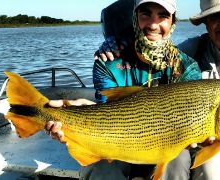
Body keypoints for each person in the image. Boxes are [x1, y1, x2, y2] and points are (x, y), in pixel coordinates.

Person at [94, 0, 220, 179]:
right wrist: (121, 42)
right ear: (205, 23)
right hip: (212, 151)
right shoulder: (188, 53)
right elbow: (156, 46)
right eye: (215, 16)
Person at [46, 0, 205, 179]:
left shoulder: (186, 67)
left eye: (163, 16)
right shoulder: (108, 61)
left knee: (179, 158)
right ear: (135, 18)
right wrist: (72, 120)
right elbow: (108, 111)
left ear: (172, 22)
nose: (153, 25)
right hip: (118, 142)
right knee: (98, 166)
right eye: (146, 14)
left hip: (166, 145)